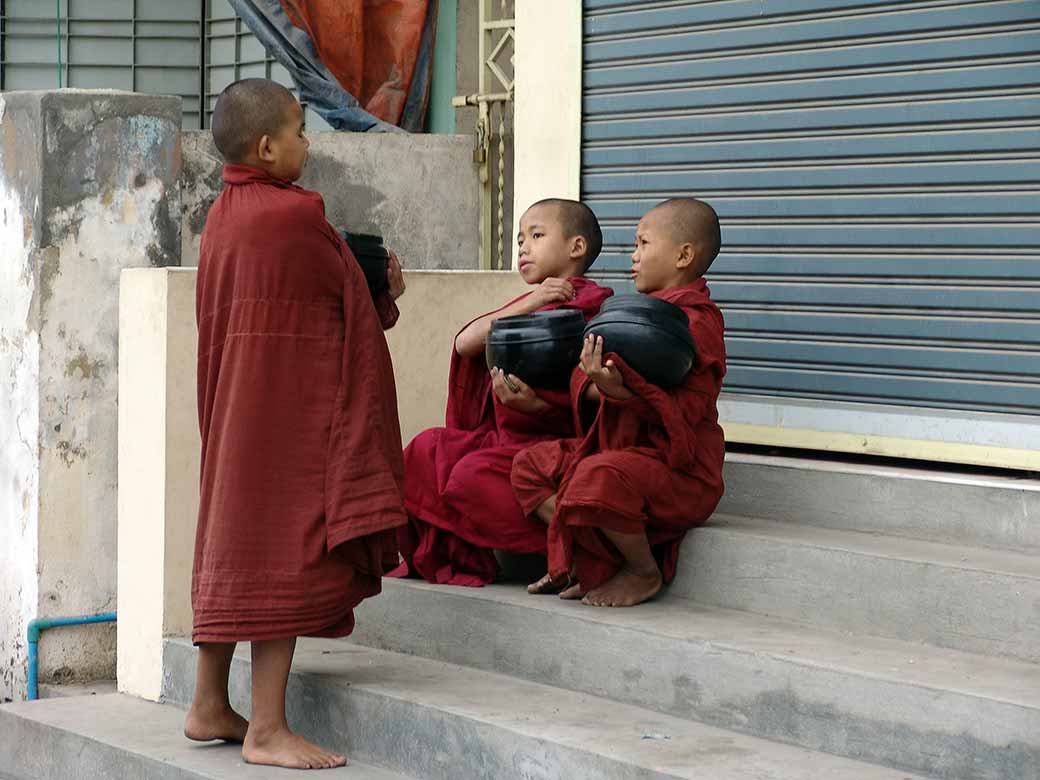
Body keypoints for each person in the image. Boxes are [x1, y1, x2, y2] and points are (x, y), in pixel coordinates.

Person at [184, 78, 407, 770]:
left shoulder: (224, 215)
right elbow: (345, 294)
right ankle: (268, 729)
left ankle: (209, 703)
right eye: (300, 131)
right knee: (286, 545)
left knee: (233, 537)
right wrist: (384, 290)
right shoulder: (292, 214)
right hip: (283, 414)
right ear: (267, 147)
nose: (308, 144)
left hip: (236, 407)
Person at [511, 198, 727, 607]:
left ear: (683, 256)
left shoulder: (695, 322)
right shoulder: (635, 316)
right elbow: (587, 377)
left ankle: (643, 570)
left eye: (643, 243)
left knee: (598, 477)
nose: (633, 255)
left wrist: (620, 389)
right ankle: (599, 558)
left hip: (680, 468)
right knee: (530, 467)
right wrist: (604, 383)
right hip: (622, 450)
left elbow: (686, 410)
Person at [390, 199, 613, 586]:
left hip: (553, 445)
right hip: (505, 438)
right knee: (425, 449)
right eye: (520, 239)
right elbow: (465, 343)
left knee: (469, 477)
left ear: (576, 247)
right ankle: (442, 553)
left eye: (537, 236)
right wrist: (534, 300)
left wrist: (538, 406)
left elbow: (595, 404)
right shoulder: (533, 304)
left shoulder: (596, 313)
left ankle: (578, 549)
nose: (523, 247)